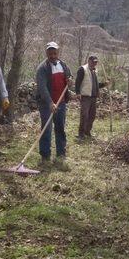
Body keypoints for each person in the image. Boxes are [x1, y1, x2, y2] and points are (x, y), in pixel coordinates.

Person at [35, 42, 73, 170]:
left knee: (60, 127)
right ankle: (45, 155)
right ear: (47, 53)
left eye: (55, 53)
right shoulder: (42, 68)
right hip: (47, 104)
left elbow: (69, 76)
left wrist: (70, 80)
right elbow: (42, 88)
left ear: (58, 53)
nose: (52, 55)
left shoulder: (63, 65)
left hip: (61, 103)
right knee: (47, 129)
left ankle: (61, 153)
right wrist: (50, 102)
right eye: (50, 53)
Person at [75, 55, 109, 141]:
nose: (95, 63)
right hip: (85, 96)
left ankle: (87, 131)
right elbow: (77, 82)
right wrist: (78, 93)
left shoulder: (95, 71)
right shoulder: (82, 69)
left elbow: (96, 84)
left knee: (92, 115)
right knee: (84, 115)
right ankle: (81, 134)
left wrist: (105, 84)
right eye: (93, 62)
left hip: (93, 97)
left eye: (96, 62)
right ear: (89, 61)